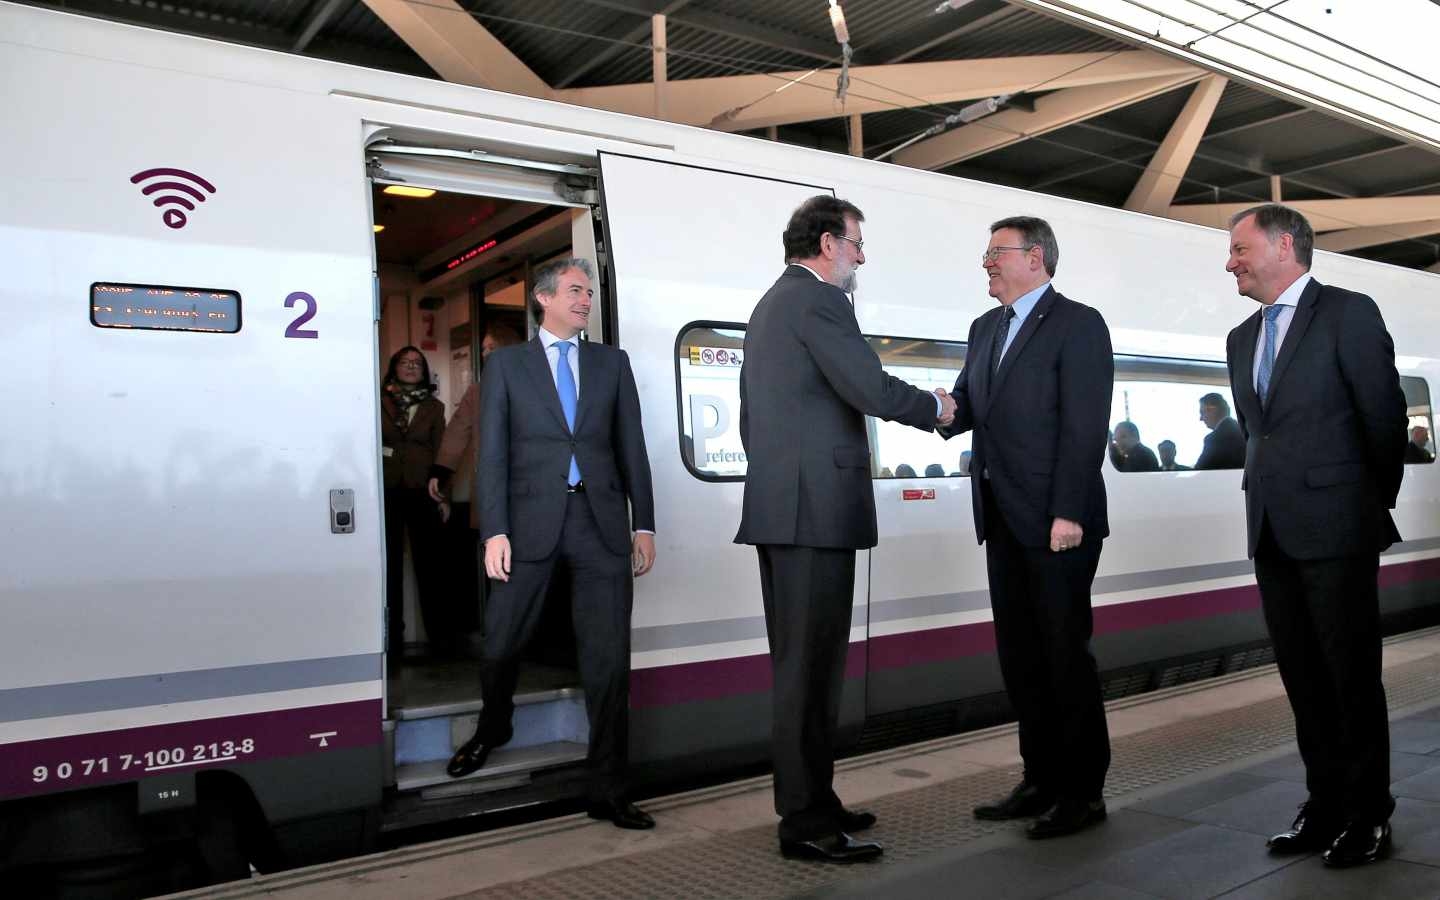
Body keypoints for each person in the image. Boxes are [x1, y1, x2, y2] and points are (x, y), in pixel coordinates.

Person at [736, 195, 954, 863]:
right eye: (857, 243)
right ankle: (803, 823)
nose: (861, 256)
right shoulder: (820, 301)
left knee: (809, 667)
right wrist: (939, 408)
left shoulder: (773, 305)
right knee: (808, 672)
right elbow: (869, 387)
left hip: (789, 507)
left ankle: (816, 798)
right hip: (813, 512)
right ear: (828, 243)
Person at [1223, 203, 1406, 868]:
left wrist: (1360, 509)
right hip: (1271, 530)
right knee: (1303, 679)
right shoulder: (1241, 339)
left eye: (1240, 248)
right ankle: (1324, 803)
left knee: (1351, 677)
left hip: (1338, 528)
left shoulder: (1348, 312)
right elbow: (1258, 433)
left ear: (1283, 246)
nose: (1230, 262)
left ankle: (1369, 815)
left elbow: (1383, 420)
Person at [445, 258, 658, 831]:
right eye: (574, 291)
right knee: (501, 644)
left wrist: (645, 524)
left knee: (609, 662)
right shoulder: (507, 366)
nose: (585, 299)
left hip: (599, 524)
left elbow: (631, 445)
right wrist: (494, 529)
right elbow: (492, 454)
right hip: (528, 526)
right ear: (544, 298)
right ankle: (495, 726)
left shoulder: (612, 363)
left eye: (588, 292)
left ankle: (609, 789)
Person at [941, 215, 1114, 839]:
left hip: (1055, 522)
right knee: (1020, 657)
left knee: (1065, 654)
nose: (986, 263)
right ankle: (1039, 777)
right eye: (986, 252)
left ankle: (1082, 792)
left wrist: (1068, 510)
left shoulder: (1078, 323)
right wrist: (925, 406)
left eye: (997, 252)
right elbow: (966, 405)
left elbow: (1085, 424)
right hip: (1003, 519)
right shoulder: (984, 328)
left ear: (1035, 257)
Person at [427, 325, 523, 654]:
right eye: (483, 349)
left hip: (533, 493)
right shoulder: (477, 392)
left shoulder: (536, 385)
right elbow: (457, 431)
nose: (485, 353)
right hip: (498, 494)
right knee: (500, 568)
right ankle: (503, 640)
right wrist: (441, 470)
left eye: (492, 346)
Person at [381, 346, 447, 659]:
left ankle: (441, 641)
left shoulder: (434, 407)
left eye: (417, 363)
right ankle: (392, 642)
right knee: (389, 567)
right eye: (405, 362)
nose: (411, 367)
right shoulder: (377, 401)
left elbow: (441, 451)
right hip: (387, 492)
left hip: (423, 492)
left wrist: (442, 492)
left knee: (431, 567)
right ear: (394, 368)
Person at [1195, 392, 1245, 470]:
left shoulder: (1214, 438)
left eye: (1202, 412)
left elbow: (1200, 470)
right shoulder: (1244, 431)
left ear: (1212, 410)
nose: (1201, 418)